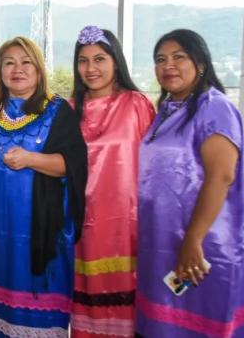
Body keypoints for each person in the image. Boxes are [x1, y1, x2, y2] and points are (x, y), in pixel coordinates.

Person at [0, 36, 87, 337]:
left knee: (34, 312)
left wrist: (32, 159)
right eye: (9, 63)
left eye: (25, 62)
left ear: (39, 69)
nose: (17, 69)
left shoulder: (58, 111)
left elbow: (74, 165)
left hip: (39, 233)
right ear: (0, 71)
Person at [136, 29, 244, 337]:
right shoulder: (167, 110)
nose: (168, 66)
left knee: (198, 325)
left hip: (203, 243)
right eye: (160, 60)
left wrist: (193, 240)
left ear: (200, 63)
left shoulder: (214, 107)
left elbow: (221, 176)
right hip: (162, 239)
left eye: (178, 57)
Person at [69, 26, 155, 337]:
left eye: (100, 59)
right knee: (87, 302)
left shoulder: (137, 104)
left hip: (128, 225)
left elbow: (155, 167)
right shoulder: (69, 110)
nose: (91, 69)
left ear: (116, 61)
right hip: (83, 223)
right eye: (83, 60)